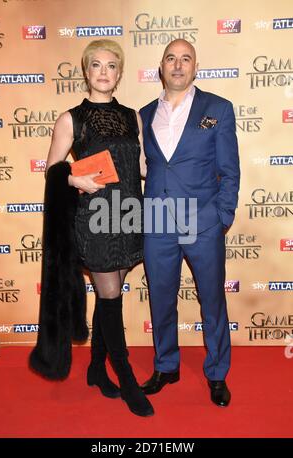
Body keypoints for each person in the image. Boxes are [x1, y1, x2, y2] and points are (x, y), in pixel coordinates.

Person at [43, 39, 153, 417]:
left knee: (111, 295)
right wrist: (76, 180)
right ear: (86, 71)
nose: (104, 72)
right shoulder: (71, 118)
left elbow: (138, 166)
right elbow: (53, 169)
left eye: (111, 66)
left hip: (128, 214)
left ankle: (94, 368)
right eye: (96, 65)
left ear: (119, 73)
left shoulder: (132, 116)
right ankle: (123, 376)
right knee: (110, 297)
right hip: (95, 218)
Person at [139, 39, 240, 407]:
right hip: (158, 224)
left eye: (185, 59)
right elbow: (142, 168)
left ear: (195, 67)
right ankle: (166, 365)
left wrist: (221, 217)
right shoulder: (145, 113)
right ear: (161, 67)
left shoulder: (218, 108)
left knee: (212, 300)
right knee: (161, 299)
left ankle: (217, 373)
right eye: (171, 58)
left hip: (203, 222)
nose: (178, 65)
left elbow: (230, 171)